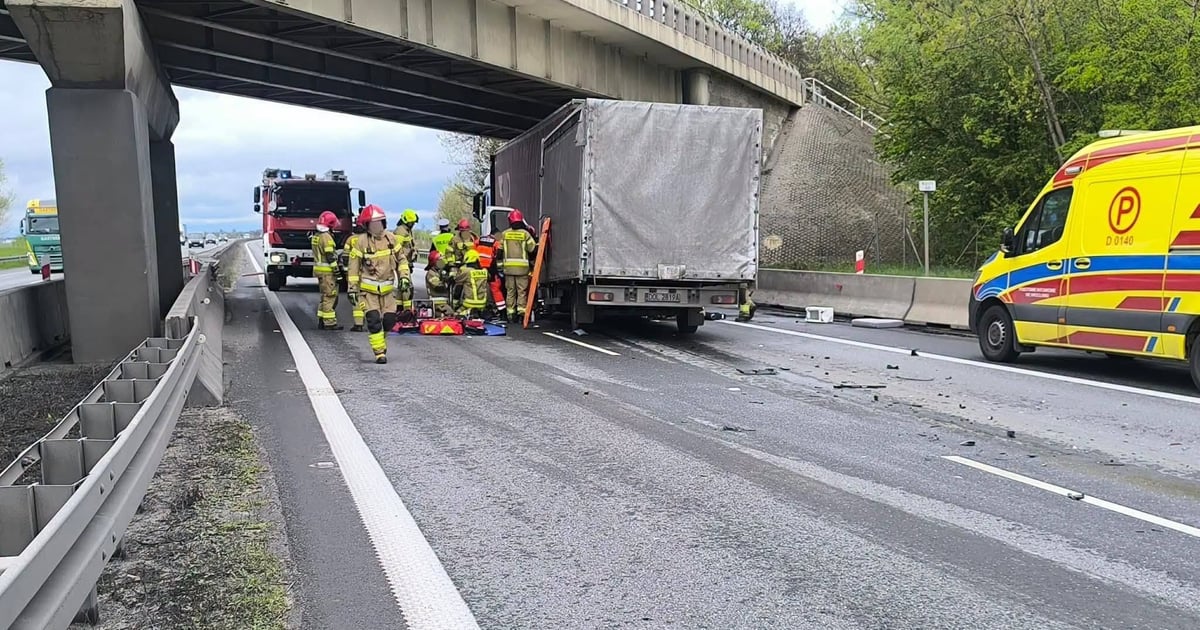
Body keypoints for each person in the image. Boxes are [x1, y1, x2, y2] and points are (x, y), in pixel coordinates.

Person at [346, 205, 410, 364]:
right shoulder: (360, 242)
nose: (377, 227)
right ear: (366, 226)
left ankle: (381, 341)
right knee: (374, 321)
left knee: (389, 321)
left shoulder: (391, 239)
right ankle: (379, 352)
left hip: (388, 292)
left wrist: (404, 277)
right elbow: (353, 267)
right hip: (367, 293)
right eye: (373, 224)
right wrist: (352, 289)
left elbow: (401, 259)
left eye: (379, 223)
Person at [498, 209, 538, 322]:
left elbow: (499, 252)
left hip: (508, 269)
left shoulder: (504, 234)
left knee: (510, 291)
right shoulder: (525, 234)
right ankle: (522, 313)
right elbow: (532, 249)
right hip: (522, 269)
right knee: (522, 291)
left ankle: (511, 314)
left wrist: (500, 267)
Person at [311, 211, 342, 330]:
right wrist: (337, 272)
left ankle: (321, 320)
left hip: (320, 271)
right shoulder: (326, 237)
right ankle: (329, 323)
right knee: (330, 296)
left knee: (324, 297)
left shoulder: (317, 236)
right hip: (327, 272)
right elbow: (330, 256)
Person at [474, 229, 506, 316]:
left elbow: (473, 250)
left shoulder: (479, 240)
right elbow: (498, 254)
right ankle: (502, 313)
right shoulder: (496, 242)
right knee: (496, 289)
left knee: (478, 289)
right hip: (490, 268)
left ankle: (478, 311)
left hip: (478, 267)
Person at [393, 209, 419, 313]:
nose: (412, 224)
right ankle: (407, 310)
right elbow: (397, 250)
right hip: (402, 263)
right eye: (411, 223)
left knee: (402, 287)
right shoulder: (400, 231)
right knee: (407, 287)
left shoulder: (407, 230)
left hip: (406, 262)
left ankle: (399, 308)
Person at [348, 208, 369, 332]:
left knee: (356, 297)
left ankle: (358, 324)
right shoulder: (371, 240)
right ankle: (373, 321)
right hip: (369, 275)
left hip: (354, 273)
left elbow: (345, 256)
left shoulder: (350, 240)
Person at [455, 249, 490, 318]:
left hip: (469, 303)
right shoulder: (485, 271)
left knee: (456, 315)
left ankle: (465, 312)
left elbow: (457, 279)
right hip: (482, 303)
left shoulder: (467, 271)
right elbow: (489, 277)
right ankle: (477, 312)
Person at [425, 250, 455, 318]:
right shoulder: (431, 273)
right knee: (448, 316)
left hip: (445, 303)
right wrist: (448, 282)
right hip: (437, 304)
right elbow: (438, 287)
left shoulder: (441, 272)